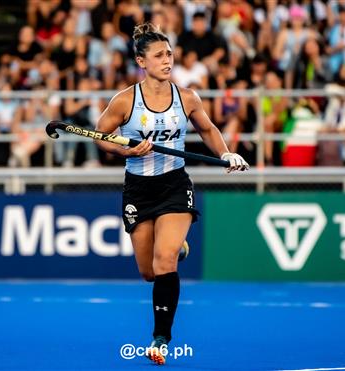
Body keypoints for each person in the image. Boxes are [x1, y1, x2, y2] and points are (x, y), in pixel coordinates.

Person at [94, 22, 249, 365]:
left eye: (170, 54)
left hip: (175, 185)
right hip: (138, 188)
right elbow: (99, 137)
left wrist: (225, 154)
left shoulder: (187, 97)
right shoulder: (124, 101)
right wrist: (126, 151)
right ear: (141, 61)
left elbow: (207, 129)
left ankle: (160, 338)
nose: (168, 60)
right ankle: (176, 246)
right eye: (159, 55)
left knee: (163, 261)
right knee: (149, 271)